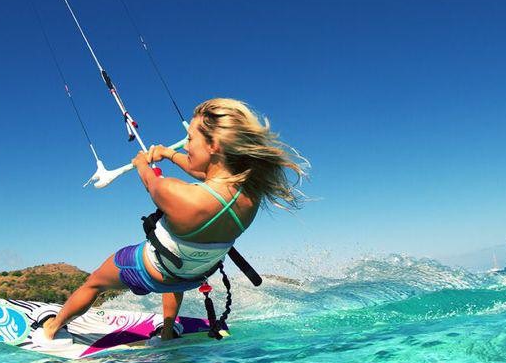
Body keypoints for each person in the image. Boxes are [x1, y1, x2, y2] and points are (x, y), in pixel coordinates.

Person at [33, 98, 306, 346]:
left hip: (147, 270)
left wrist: (142, 163)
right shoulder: (251, 195)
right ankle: (166, 333)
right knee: (179, 255)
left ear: (213, 146)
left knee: (94, 282)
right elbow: (206, 174)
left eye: (190, 138)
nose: (186, 145)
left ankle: (52, 329)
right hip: (192, 277)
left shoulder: (177, 194)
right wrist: (167, 153)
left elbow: (153, 184)